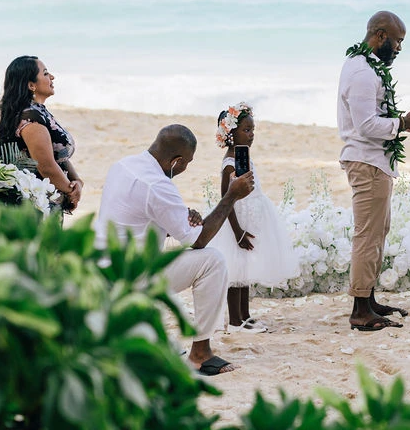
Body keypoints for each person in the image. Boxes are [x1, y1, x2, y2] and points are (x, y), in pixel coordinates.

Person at [95, 125, 255, 375]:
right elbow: (198, 241)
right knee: (211, 261)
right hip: (130, 277)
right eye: (187, 163)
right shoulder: (158, 185)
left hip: (102, 269)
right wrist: (231, 196)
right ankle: (201, 354)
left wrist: (178, 219)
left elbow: (136, 216)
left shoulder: (124, 165)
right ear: (176, 161)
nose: (185, 168)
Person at [338, 10, 410, 331]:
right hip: (367, 162)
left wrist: (402, 118)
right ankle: (360, 310)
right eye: (397, 41)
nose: (400, 49)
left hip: (376, 161)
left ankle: (369, 299)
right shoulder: (362, 72)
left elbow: (373, 116)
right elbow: (365, 125)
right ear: (379, 36)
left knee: (379, 232)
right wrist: (404, 123)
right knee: (368, 235)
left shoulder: (366, 67)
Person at [209, 102, 299, 333]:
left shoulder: (243, 156)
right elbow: (225, 201)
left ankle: (245, 315)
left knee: (244, 269)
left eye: (252, 130)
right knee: (235, 270)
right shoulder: (230, 164)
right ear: (230, 133)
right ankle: (236, 321)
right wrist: (238, 232)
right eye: (245, 130)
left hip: (250, 218)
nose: (251, 135)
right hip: (235, 223)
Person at [0, 56, 83, 211]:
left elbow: (56, 154)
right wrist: (71, 193)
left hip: (48, 197)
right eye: (45, 73)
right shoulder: (30, 118)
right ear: (31, 85)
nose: (52, 77)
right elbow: (46, 166)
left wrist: (76, 181)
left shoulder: (38, 112)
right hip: (36, 204)